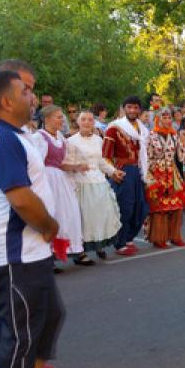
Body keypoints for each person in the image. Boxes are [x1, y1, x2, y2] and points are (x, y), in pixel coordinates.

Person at [0, 70, 66, 368]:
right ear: (5, 101)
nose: (32, 97)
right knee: (22, 330)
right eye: (24, 92)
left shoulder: (12, 134)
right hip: (9, 253)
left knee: (50, 316)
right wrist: (50, 226)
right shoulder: (1, 139)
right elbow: (22, 199)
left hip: (29, 251)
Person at [35, 105, 92, 267]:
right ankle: (48, 256)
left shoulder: (60, 137)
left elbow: (63, 162)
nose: (62, 120)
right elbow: (36, 163)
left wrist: (77, 167)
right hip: (48, 181)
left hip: (62, 180)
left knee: (70, 214)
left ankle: (74, 250)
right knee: (53, 215)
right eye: (58, 117)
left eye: (62, 116)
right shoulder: (39, 137)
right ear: (47, 119)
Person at [66, 111, 123, 259]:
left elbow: (101, 161)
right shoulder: (71, 141)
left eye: (90, 120)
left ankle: (99, 245)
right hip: (82, 184)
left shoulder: (99, 140)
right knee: (84, 219)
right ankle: (81, 251)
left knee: (101, 216)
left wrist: (113, 172)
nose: (86, 122)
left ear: (94, 123)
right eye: (83, 119)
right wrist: (77, 167)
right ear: (78, 122)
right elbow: (67, 164)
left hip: (99, 182)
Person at [103, 96, 150, 256]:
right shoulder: (114, 128)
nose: (132, 110)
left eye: (136, 108)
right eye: (129, 107)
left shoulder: (142, 129)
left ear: (139, 110)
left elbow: (144, 154)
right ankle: (120, 243)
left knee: (141, 207)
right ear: (124, 109)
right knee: (125, 207)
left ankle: (129, 237)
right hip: (123, 171)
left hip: (138, 171)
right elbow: (105, 155)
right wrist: (112, 172)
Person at [144, 107, 185, 248]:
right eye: (164, 118)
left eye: (169, 118)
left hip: (172, 172)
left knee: (176, 205)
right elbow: (145, 156)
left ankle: (175, 236)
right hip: (156, 172)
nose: (168, 120)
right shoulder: (150, 136)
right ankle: (159, 238)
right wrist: (149, 175)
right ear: (158, 119)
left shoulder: (174, 135)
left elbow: (182, 153)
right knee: (159, 207)